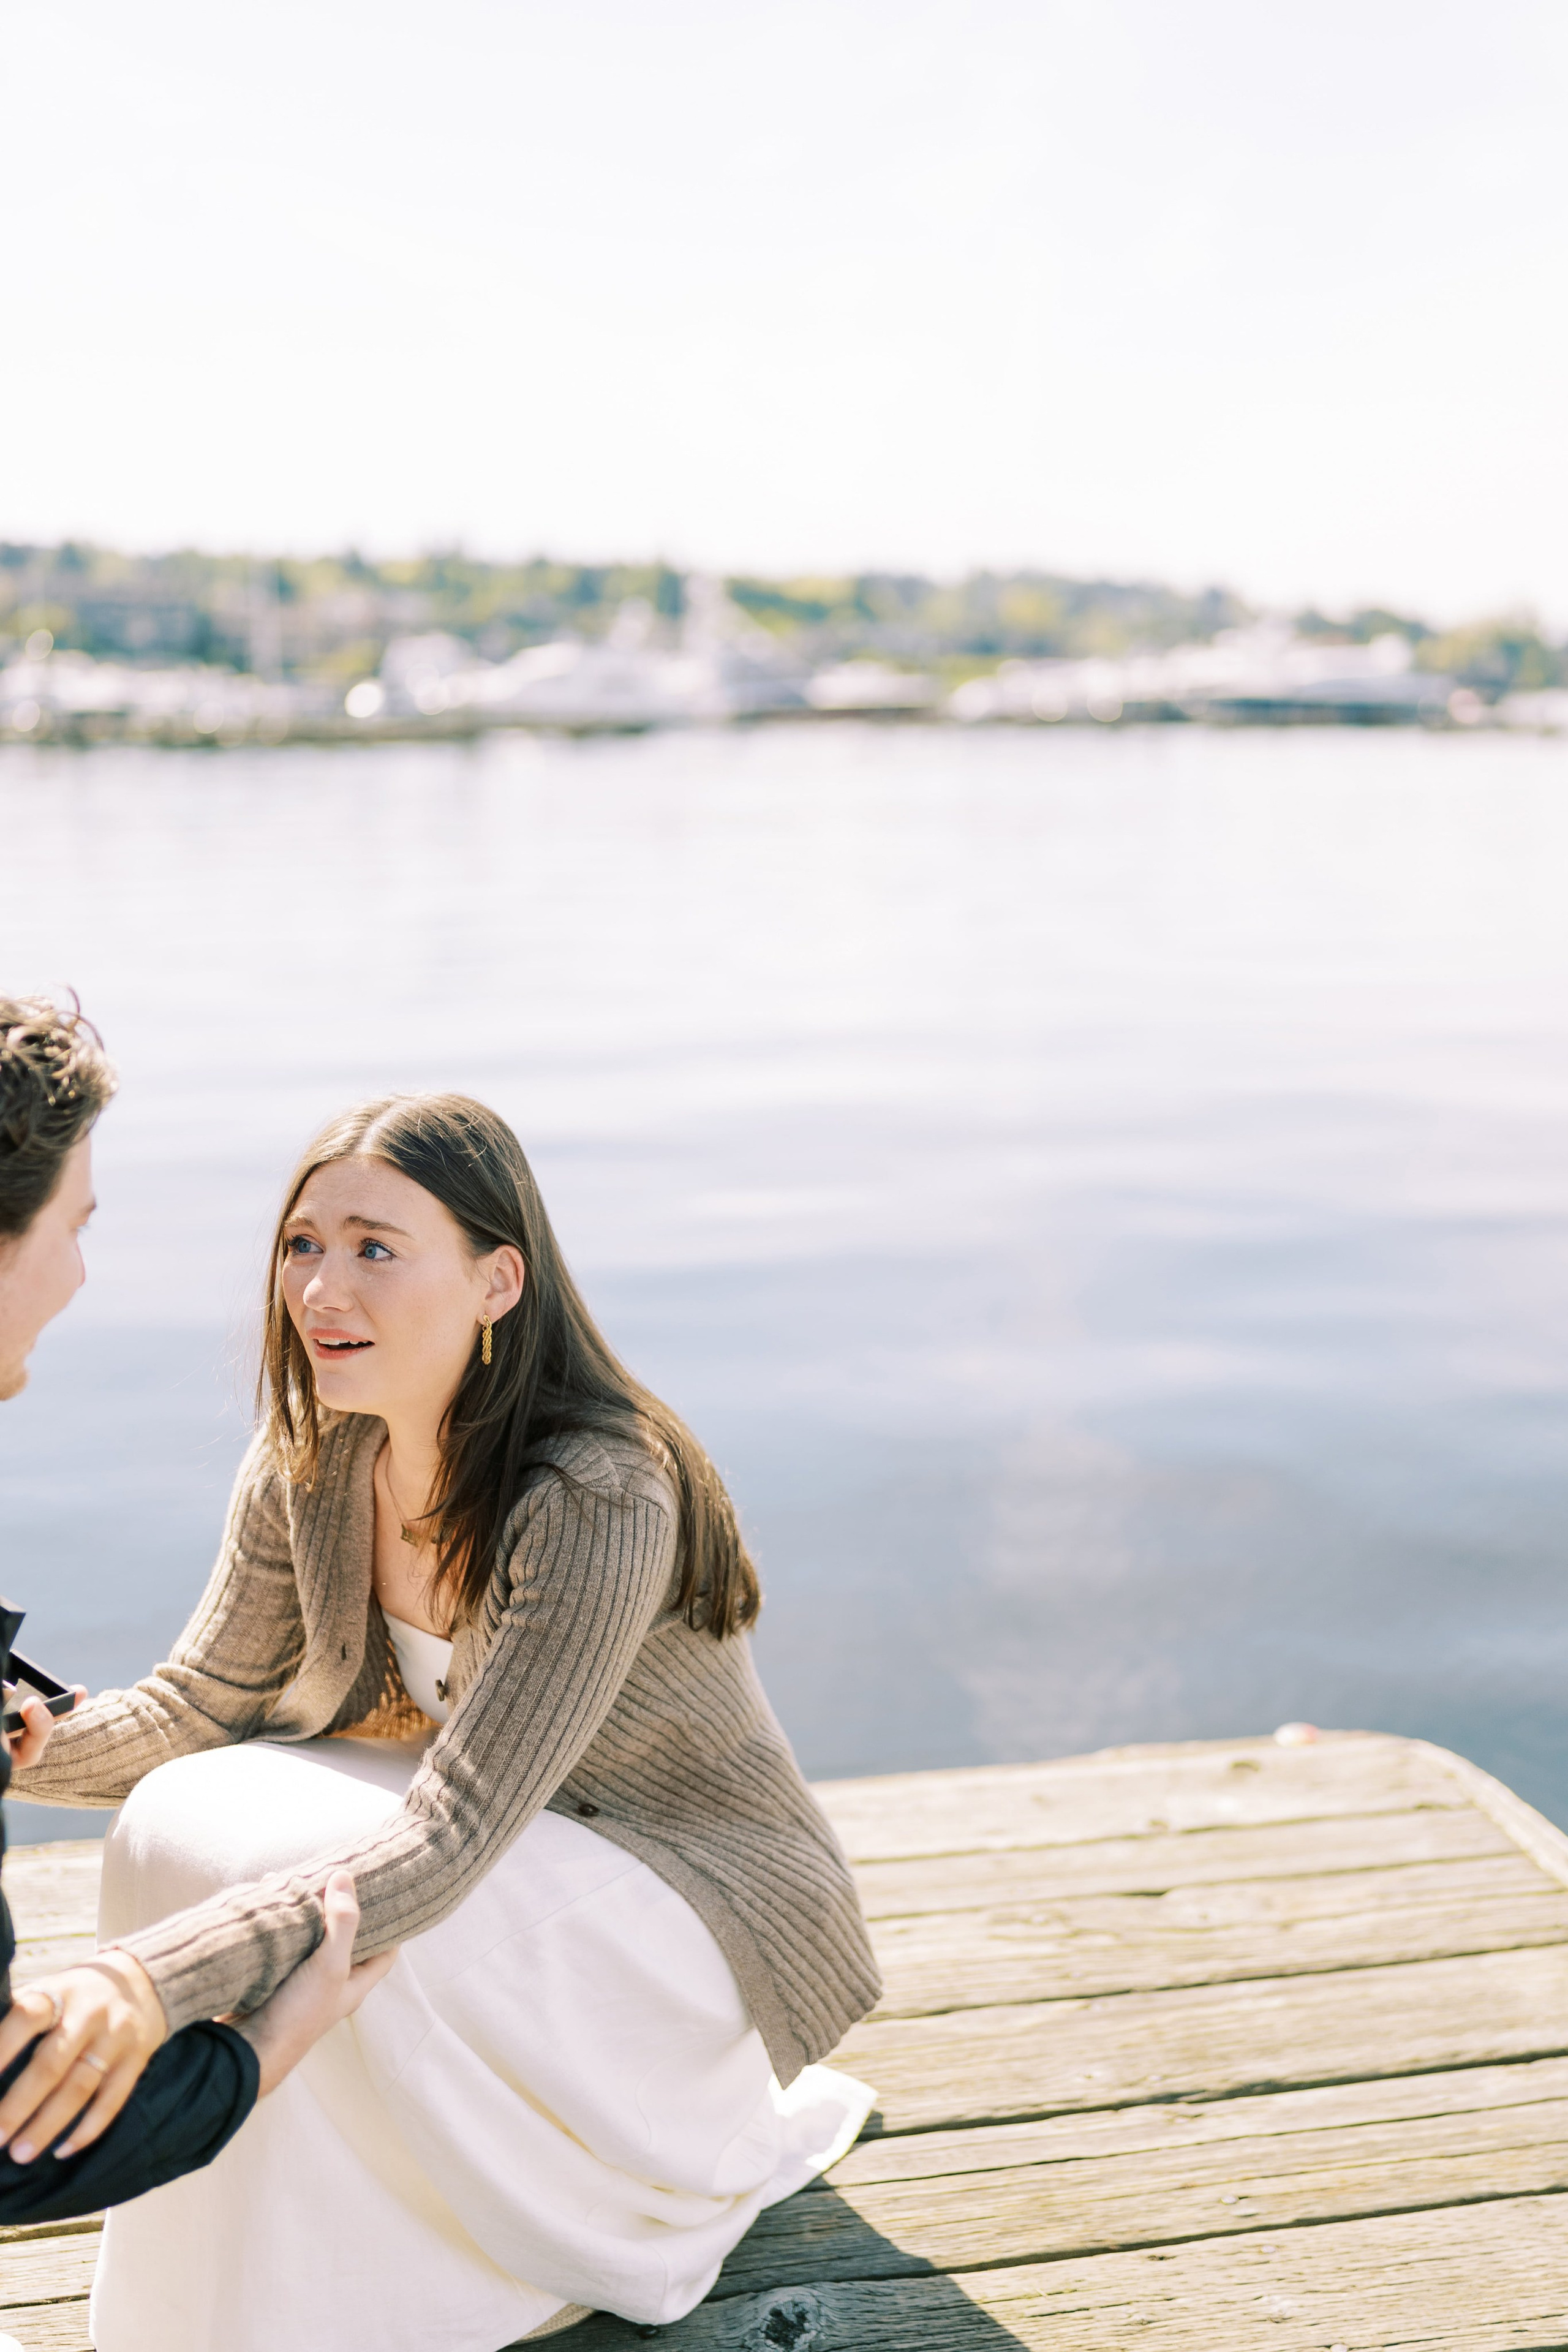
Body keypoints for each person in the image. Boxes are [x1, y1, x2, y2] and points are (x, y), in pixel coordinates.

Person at [17, 1089, 881, 2350]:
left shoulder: (595, 1490)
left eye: (375, 1247)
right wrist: (29, 1748)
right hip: (524, 1860)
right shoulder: (312, 1459)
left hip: (675, 1902)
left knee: (322, 1896)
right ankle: (231, 2304)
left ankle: (478, 2253)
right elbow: (199, 1707)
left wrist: (143, 1982)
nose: (320, 1287)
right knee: (172, 1818)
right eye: (303, 1245)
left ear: (496, 1281)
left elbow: (455, 1834)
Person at [0, 995, 396, 2278]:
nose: (82, 1269)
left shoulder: (594, 1490)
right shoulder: (299, 1465)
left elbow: (194, 1705)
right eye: (77, 1225)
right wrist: (263, 2040)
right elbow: (9, 2129)